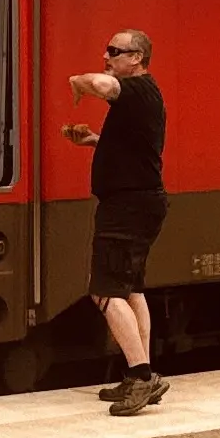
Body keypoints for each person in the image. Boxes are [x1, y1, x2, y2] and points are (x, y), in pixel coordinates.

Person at [63, 28, 168, 414]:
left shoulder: (135, 91)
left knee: (105, 291)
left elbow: (101, 84)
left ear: (136, 57)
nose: (106, 57)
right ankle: (138, 374)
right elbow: (134, 148)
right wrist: (93, 141)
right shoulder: (143, 99)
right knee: (130, 290)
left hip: (127, 207)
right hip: (141, 202)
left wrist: (80, 81)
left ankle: (142, 379)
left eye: (114, 51)